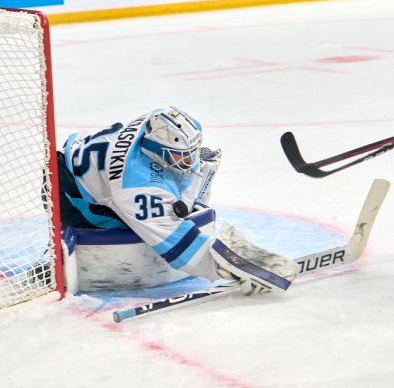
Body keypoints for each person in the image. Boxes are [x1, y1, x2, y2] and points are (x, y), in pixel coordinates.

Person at [57, 106, 300, 294]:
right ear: (155, 151)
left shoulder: (159, 118)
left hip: (94, 164)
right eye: (181, 156)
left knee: (179, 200)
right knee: (149, 227)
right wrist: (230, 270)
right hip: (71, 195)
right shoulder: (136, 188)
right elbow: (179, 247)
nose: (192, 161)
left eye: (192, 152)